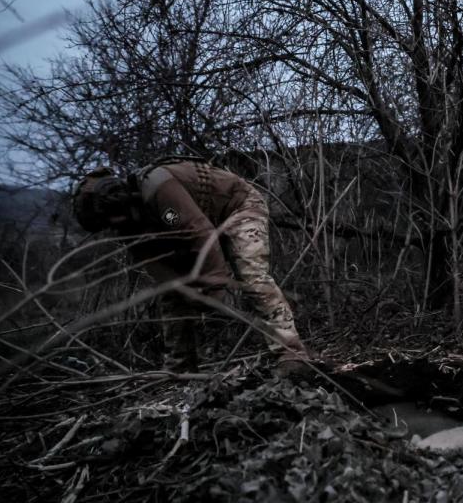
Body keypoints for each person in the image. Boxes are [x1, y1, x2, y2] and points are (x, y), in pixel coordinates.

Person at [72, 157, 312, 374]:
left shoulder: (158, 190)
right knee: (171, 294)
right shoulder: (128, 227)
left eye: (115, 216)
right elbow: (159, 270)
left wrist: (213, 289)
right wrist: (186, 289)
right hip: (194, 225)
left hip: (238, 208)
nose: (116, 223)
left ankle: (291, 354)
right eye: (109, 222)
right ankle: (180, 367)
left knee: (252, 275)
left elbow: (197, 231)